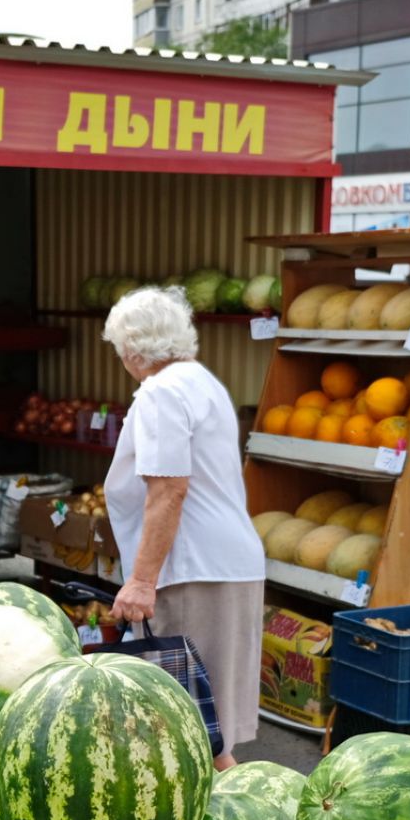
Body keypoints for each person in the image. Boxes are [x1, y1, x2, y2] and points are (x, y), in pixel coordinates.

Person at [102, 287, 265, 768]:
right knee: (208, 731)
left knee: (190, 729)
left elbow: (168, 491)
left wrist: (141, 581)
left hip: (194, 570)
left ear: (132, 349)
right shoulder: (200, 381)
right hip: (224, 564)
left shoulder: (161, 393)